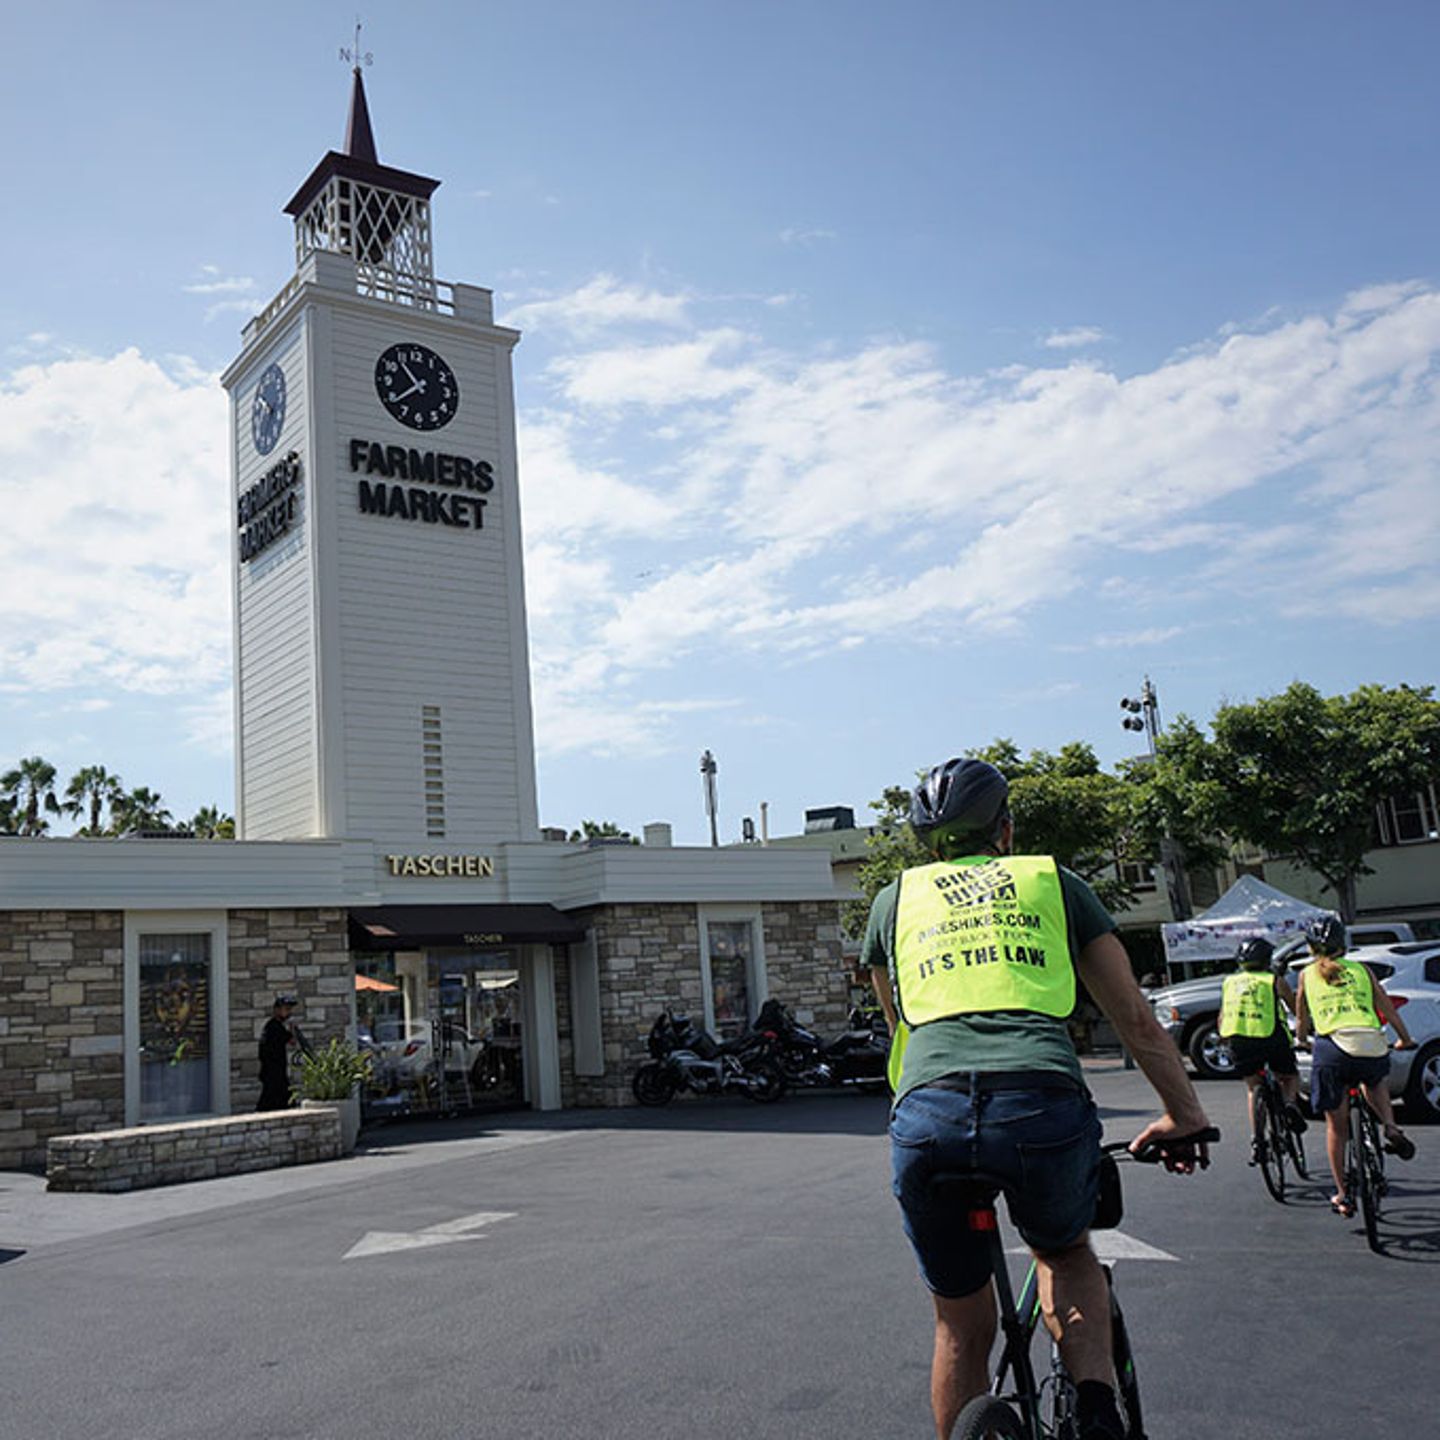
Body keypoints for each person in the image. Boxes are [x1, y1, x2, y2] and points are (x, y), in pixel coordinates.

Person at [864, 757, 1212, 1440]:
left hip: (928, 1116)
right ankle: (1096, 1408)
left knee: (961, 1323)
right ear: (1006, 829)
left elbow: (898, 1028)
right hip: (1039, 1105)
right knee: (1065, 1255)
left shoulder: (892, 901)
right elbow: (1135, 1018)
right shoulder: (1054, 882)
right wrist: (1185, 1115)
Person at [1293, 915, 1416, 1216]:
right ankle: (1390, 1126)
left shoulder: (1306, 975)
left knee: (1337, 1126)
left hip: (1332, 1048)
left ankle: (1343, 1194)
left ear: (1311, 948)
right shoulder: (1362, 971)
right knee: (1375, 1081)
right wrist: (1404, 1039)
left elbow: (1301, 1017)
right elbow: (1386, 1008)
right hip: (1370, 1043)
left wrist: (1302, 1040)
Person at [1217, 936, 1307, 1156]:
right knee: (1289, 1076)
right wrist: (1306, 1029)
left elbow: (1223, 1014)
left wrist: (1223, 1036)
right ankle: (1289, 1104)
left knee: (1252, 1087)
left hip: (1239, 1040)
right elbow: (1295, 1008)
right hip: (1271, 1038)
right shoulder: (1273, 980)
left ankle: (1257, 1139)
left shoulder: (1230, 982)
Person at [257, 993, 299, 1111]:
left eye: (289, 1009)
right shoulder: (273, 1027)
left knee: (280, 1100)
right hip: (273, 1071)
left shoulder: (275, 1026)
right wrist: (291, 1027)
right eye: (286, 1009)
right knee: (273, 1101)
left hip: (276, 1071)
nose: (288, 1012)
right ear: (277, 1010)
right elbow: (292, 1041)